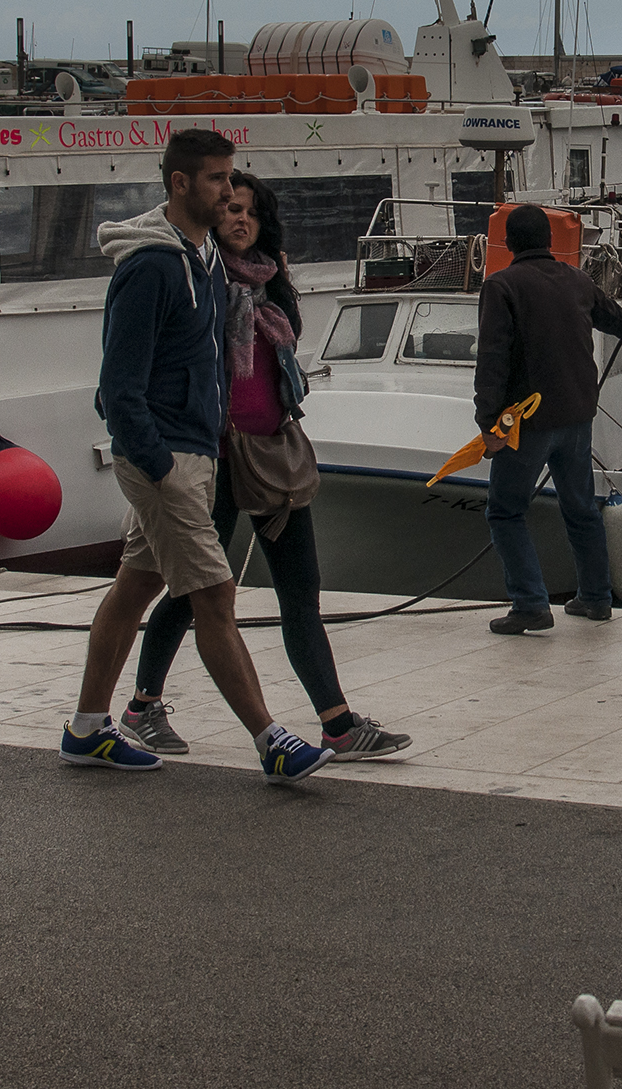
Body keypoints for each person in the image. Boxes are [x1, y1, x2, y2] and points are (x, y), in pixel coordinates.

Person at [59, 128, 333, 783]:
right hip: (168, 461)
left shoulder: (205, 259)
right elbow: (118, 386)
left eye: (230, 177)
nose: (228, 191)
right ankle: (271, 740)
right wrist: (157, 464)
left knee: (135, 586)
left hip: (196, 454)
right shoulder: (151, 268)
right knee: (214, 593)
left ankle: (87, 729)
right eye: (216, 179)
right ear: (180, 183)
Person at [120, 171, 412, 762]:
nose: (241, 219)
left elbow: (285, 351)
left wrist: (277, 282)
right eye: (231, 208)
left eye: (251, 212)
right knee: (196, 591)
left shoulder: (270, 281)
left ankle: (338, 726)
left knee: (301, 593)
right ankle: (142, 706)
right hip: (213, 459)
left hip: (272, 454)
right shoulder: (197, 278)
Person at [475, 203, 622, 635]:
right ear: (550, 241)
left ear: (508, 243)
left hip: (529, 422)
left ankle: (531, 604)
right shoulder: (578, 280)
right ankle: (596, 598)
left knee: (505, 512)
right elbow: (619, 322)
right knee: (581, 509)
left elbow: (492, 359)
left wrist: (488, 423)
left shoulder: (501, 286)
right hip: (578, 416)